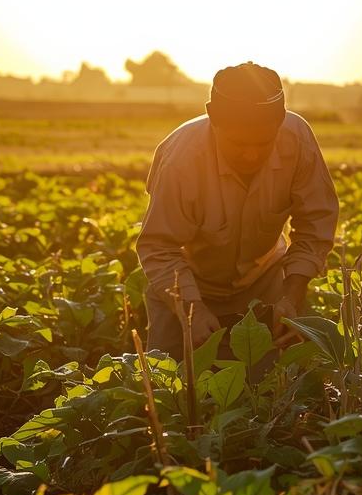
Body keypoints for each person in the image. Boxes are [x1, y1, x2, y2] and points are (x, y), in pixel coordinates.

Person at [137, 62, 339, 355]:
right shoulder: (181, 160)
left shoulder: (297, 140)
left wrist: (291, 296)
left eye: (264, 143)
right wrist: (192, 310)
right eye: (238, 143)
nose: (251, 155)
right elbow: (159, 248)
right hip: (183, 288)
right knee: (173, 379)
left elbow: (315, 225)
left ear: (280, 122)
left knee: (274, 379)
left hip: (264, 284)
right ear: (212, 119)